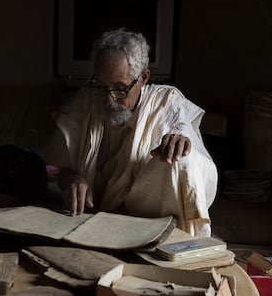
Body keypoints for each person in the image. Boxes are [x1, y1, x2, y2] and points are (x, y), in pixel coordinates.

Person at [46, 28, 217, 237]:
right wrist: (70, 177)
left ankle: (175, 244)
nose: (109, 100)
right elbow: (56, 168)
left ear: (144, 78)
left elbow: (196, 168)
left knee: (182, 160)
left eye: (120, 88)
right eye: (101, 86)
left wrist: (180, 141)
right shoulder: (86, 101)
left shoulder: (166, 104)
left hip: (145, 216)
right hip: (94, 218)